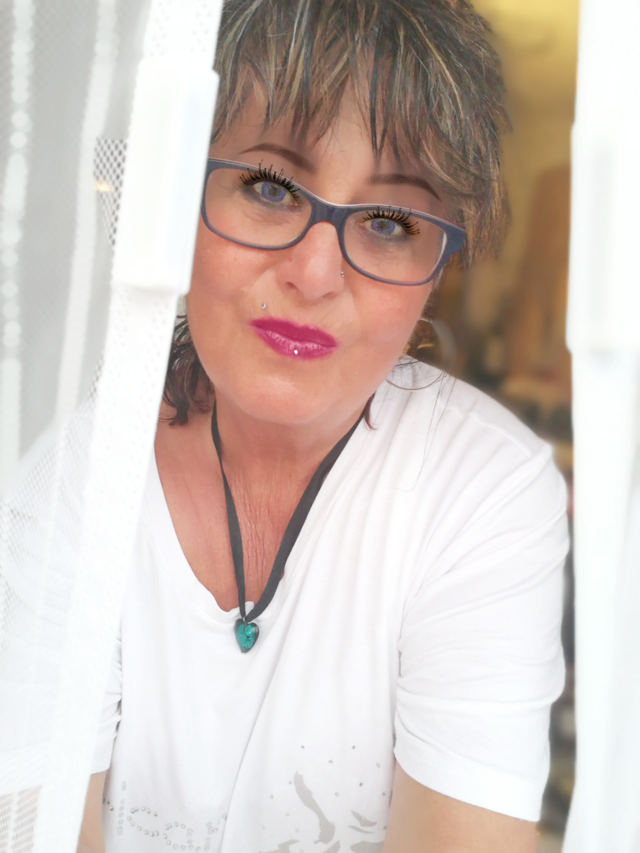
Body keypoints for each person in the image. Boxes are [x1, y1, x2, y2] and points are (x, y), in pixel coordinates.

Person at [79, 1, 569, 851]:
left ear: (437, 273)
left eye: (389, 223)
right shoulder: (73, 476)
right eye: (269, 186)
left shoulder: (486, 488)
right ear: (176, 192)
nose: (315, 273)